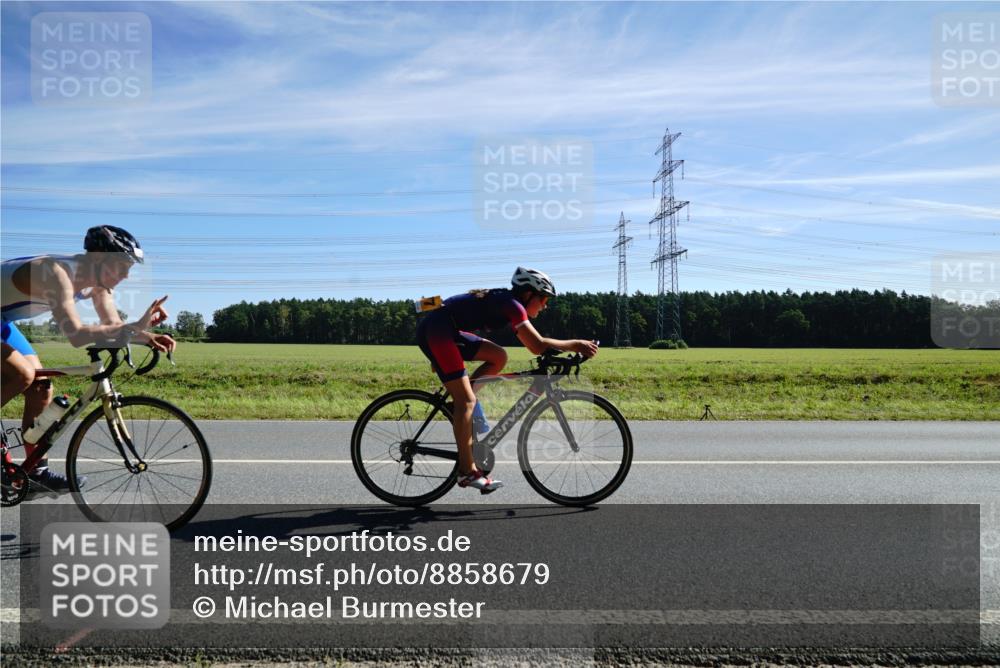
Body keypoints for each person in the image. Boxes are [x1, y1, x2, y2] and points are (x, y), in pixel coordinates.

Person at [1, 225, 176, 494]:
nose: (127, 275)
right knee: (22, 374)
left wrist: (147, 335)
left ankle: (35, 474)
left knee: (40, 386)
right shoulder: (55, 273)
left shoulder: (99, 286)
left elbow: (114, 326)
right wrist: (134, 328)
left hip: (3, 320)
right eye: (122, 266)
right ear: (98, 258)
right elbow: (76, 334)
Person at [416, 267, 598, 493]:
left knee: (498, 356)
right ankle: (467, 471)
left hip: (446, 329)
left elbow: (448, 302)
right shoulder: (513, 305)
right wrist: (576, 344)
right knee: (467, 402)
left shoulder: (507, 300)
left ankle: (461, 404)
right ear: (528, 294)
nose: (545, 305)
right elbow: (537, 346)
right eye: (544, 299)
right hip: (437, 331)